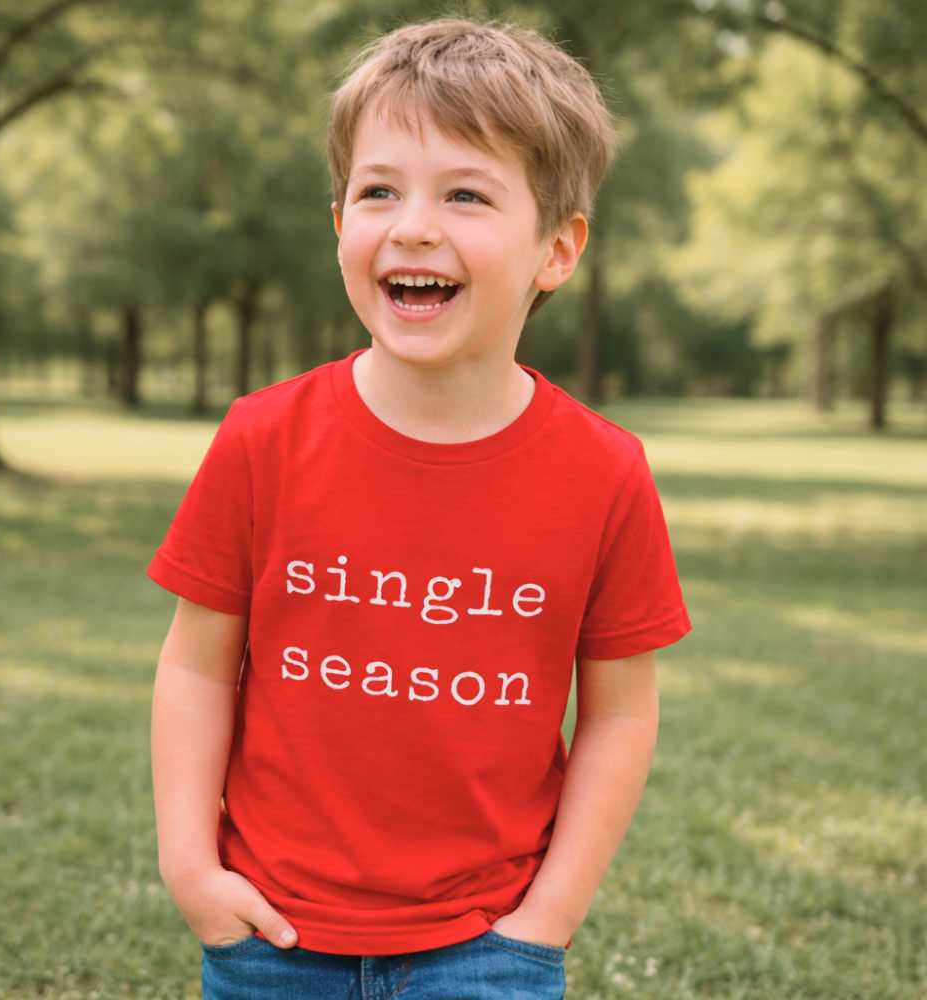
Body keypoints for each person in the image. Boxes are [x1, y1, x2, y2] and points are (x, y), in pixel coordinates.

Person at [146, 15, 692, 1000]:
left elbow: (620, 713)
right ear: (339, 221)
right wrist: (192, 865)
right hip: (270, 933)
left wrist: (545, 920)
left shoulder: (604, 472)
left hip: (486, 943)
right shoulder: (262, 439)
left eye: (467, 194)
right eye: (378, 191)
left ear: (556, 250)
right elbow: (196, 663)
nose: (412, 226)